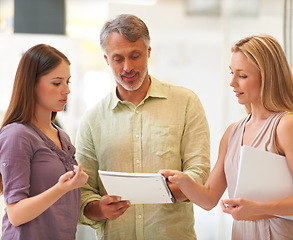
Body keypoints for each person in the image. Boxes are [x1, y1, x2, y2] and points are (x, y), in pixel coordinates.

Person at [75, 14, 210, 239]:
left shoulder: (186, 103)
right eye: (118, 59)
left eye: (135, 56)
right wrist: (100, 209)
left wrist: (162, 192)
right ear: (107, 60)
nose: (128, 67)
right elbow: (83, 193)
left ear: (148, 52)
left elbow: (199, 173)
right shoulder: (92, 119)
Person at [160, 34, 293, 240]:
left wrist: (258, 208)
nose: (232, 82)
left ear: (267, 77)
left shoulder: (285, 125)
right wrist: (184, 180)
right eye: (231, 73)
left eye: (242, 75)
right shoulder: (233, 132)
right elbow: (208, 199)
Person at [0, 44, 89, 240]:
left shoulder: (62, 136)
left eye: (68, 82)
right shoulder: (16, 135)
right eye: (57, 83)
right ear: (31, 84)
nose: (66, 90)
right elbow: (16, 214)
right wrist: (61, 188)